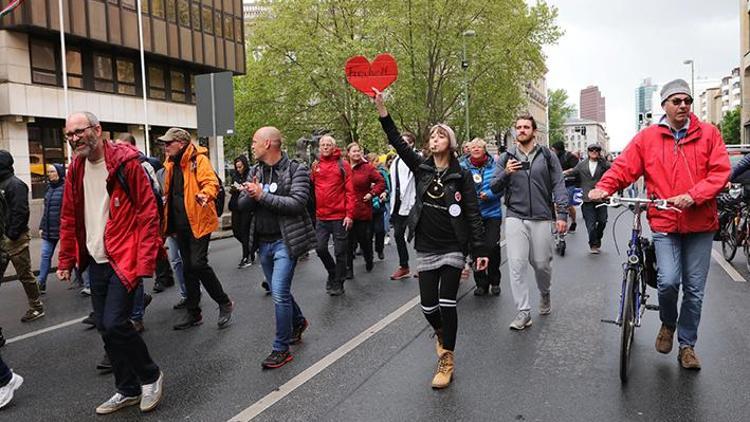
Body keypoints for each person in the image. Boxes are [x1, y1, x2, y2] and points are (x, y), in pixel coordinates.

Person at [589, 79, 730, 370]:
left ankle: (687, 345)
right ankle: (668, 323)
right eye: (676, 101)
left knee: (694, 289)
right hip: (665, 221)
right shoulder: (648, 137)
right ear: (664, 105)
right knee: (668, 281)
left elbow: (720, 173)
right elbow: (623, 167)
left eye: (687, 101)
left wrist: (694, 195)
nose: (683, 106)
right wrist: (604, 187)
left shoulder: (709, 134)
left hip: (701, 223)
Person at [374, 89, 488, 389]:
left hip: (453, 245)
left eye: (440, 136)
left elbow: (473, 212)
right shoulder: (421, 167)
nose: (434, 139)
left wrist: (479, 250)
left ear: (449, 142)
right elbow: (397, 141)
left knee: (447, 301)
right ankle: (441, 333)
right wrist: (382, 108)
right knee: (428, 307)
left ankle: (446, 358)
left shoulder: (461, 174)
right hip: (425, 244)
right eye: (432, 136)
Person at [57, 111, 164, 414]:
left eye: (80, 131)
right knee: (105, 329)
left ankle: (150, 375)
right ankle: (127, 388)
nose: (75, 138)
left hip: (124, 257)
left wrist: (144, 261)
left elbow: (147, 213)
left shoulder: (126, 163)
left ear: (98, 130)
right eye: (69, 134)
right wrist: (65, 259)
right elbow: (69, 216)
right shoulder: (75, 168)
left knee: (115, 323)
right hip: (95, 258)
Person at [238, 127, 316, 369]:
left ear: (269, 143)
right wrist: (249, 194)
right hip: (263, 242)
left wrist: (262, 196)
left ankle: (281, 348)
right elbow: (241, 205)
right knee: (277, 289)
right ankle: (299, 321)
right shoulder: (255, 171)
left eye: (255, 142)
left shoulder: (297, 170)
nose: (252, 146)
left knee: (279, 293)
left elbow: (296, 203)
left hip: (285, 241)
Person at [490, 114, 568, 331]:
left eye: (526, 127)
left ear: (534, 131)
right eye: (518, 127)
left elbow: (559, 184)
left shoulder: (547, 155)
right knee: (516, 264)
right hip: (515, 215)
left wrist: (561, 214)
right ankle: (523, 312)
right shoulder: (506, 157)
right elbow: (494, 188)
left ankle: (544, 292)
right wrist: (506, 173)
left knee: (542, 264)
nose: (522, 130)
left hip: (542, 216)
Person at [159, 128, 234, 330]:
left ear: (181, 143)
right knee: (188, 267)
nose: (165, 147)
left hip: (199, 220)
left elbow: (211, 183)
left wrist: (205, 194)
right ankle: (194, 313)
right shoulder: (169, 164)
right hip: (180, 225)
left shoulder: (198, 160)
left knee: (198, 263)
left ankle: (224, 302)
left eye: (169, 143)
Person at [0, 150, 45, 322]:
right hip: (2, 239)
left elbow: (20, 212)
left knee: (25, 275)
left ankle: (36, 307)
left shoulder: (15, 185)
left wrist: (11, 235)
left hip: (15, 240)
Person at [311, 135, 356, 296]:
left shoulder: (343, 165)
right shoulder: (315, 166)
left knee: (340, 251)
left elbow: (350, 192)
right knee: (320, 248)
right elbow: (311, 189)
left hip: (339, 216)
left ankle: (339, 281)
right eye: (322, 144)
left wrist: (349, 215)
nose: (325, 147)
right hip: (321, 216)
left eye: (328, 144)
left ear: (334, 146)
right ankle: (332, 272)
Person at [461, 138, 503, 296]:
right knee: (476, 248)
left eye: (479, 147)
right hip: (472, 215)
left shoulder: (496, 166)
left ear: (485, 149)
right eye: (473, 147)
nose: (476, 149)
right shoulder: (462, 167)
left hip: (492, 213)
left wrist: (491, 194)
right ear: (469, 150)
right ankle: (481, 283)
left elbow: (502, 185)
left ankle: (494, 280)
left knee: (491, 247)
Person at [345, 143, 385, 274]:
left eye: (359, 151)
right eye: (354, 151)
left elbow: (381, 182)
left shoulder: (367, 168)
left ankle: (369, 258)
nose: (356, 154)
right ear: (348, 153)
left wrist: (372, 193)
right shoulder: (343, 167)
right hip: (346, 210)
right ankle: (348, 268)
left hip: (362, 209)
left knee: (364, 239)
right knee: (347, 241)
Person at [565, 143, 611, 254]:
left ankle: (598, 238)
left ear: (599, 152)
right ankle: (593, 244)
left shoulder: (604, 164)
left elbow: (615, 171)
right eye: (591, 150)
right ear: (588, 151)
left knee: (602, 221)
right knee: (590, 225)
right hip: (587, 199)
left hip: (601, 198)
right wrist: (561, 174)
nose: (594, 151)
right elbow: (572, 171)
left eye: (596, 150)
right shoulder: (582, 164)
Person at [388, 133, 418, 280]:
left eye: (405, 142)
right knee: (398, 234)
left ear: (411, 144)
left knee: (420, 236)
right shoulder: (396, 161)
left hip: (413, 203)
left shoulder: (416, 159)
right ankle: (404, 266)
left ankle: (423, 265)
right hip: (399, 204)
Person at [37, 164, 65, 294]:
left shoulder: (66, 188)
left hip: (64, 228)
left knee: (74, 255)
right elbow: (46, 211)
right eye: (48, 172)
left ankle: (86, 283)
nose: (50, 174)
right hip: (49, 229)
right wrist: (42, 226)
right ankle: (41, 283)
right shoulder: (48, 188)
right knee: (45, 255)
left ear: (59, 172)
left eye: (52, 171)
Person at [229, 155, 253, 268]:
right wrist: (235, 188)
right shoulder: (235, 175)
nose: (239, 169)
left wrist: (244, 188)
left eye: (240, 167)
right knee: (236, 231)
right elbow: (232, 187)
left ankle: (246, 256)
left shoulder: (250, 174)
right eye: (237, 167)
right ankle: (251, 247)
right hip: (235, 206)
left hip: (246, 207)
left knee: (244, 231)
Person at [551, 141, 580, 232]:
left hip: (569, 184)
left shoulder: (570, 156)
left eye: (554, 149)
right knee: (557, 205)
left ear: (558, 149)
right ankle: (560, 223)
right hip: (557, 184)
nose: (553, 151)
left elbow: (577, 168)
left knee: (568, 205)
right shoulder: (553, 157)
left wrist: (565, 172)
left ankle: (574, 221)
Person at [368, 152, 391, 260]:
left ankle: (379, 249)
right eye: (376, 161)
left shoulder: (381, 173)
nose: (378, 163)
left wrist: (385, 192)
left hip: (379, 206)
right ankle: (367, 251)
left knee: (379, 230)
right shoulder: (365, 173)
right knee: (368, 232)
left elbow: (386, 186)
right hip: (367, 206)